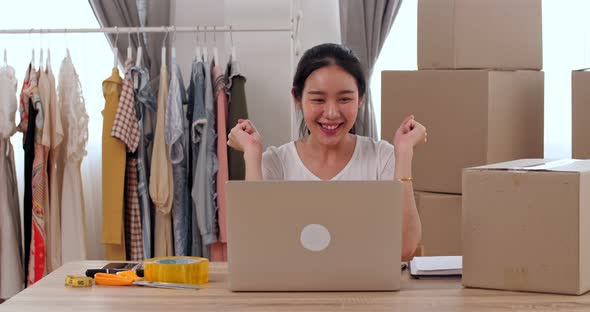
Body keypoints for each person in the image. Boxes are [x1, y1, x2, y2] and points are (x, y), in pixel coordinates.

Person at [227, 43, 427, 261]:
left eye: (344, 99)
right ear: (297, 99)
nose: (331, 113)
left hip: (366, 290)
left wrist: (404, 153)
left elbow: (404, 249)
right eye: (318, 99)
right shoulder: (276, 163)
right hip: (291, 290)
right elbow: (254, 247)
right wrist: (252, 154)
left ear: (361, 99)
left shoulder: (382, 157)